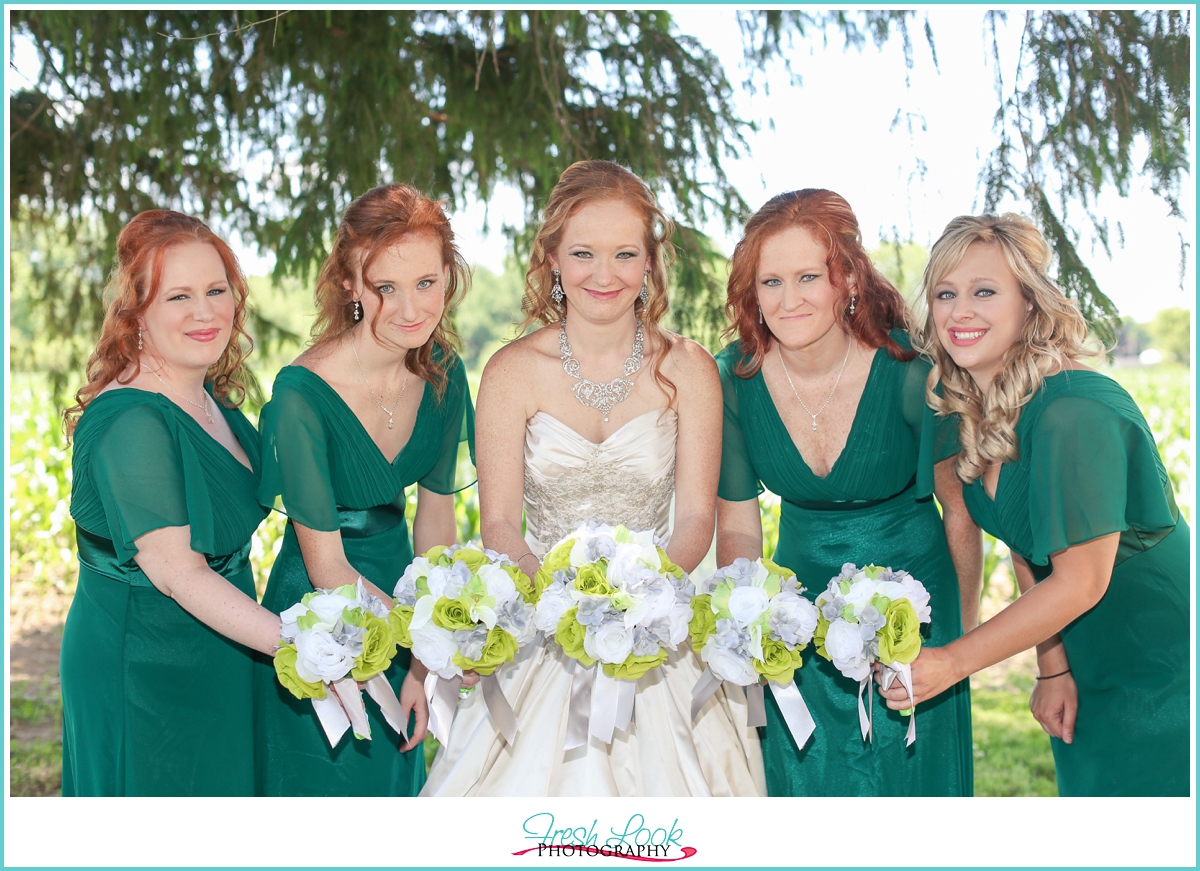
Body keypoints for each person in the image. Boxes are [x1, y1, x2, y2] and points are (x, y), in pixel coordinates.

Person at [423, 160, 765, 796]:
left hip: (661, 627)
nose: (603, 275)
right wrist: (564, 604)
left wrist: (640, 603)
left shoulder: (688, 369)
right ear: (552, 257)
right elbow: (499, 522)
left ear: (648, 262)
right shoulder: (510, 372)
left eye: (624, 254)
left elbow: (696, 519)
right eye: (582, 253)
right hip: (542, 623)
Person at [879, 213, 1189, 796]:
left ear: (1030, 302)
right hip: (1084, 653)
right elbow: (1029, 542)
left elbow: (1078, 582)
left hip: (1165, 660)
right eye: (945, 294)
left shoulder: (1074, 412)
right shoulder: (983, 405)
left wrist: (952, 662)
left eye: (984, 291)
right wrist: (1055, 666)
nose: (958, 311)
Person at [715, 189, 979, 796]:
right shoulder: (735, 379)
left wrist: (959, 646)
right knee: (807, 782)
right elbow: (737, 524)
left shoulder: (912, 372)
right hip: (797, 611)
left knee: (912, 787)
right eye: (770, 281)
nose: (789, 299)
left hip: (917, 607)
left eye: (809, 276)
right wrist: (750, 620)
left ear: (848, 279)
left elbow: (960, 514)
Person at [254, 183, 474, 796]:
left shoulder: (444, 375)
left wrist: (426, 660)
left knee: (393, 786)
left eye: (426, 283)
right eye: (385, 287)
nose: (410, 309)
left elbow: (436, 524)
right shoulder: (301, 394)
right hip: (324, 608)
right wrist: (422, 633)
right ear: (350, 283)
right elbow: (326, 565)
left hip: (402, 586)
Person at [60, 210, 283, 796]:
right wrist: (302, 646)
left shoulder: (210, 398)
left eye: (216, 290)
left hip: (227, 644)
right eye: (178, 296)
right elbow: (180, 574)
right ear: (136, 315)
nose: (206, 311)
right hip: (147, 667)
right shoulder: (131, 419)